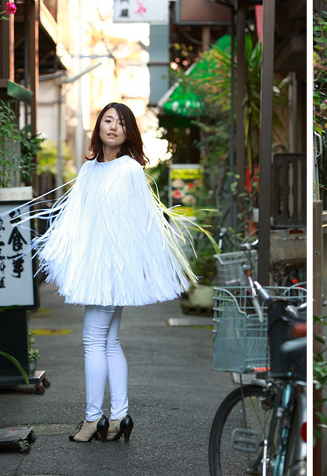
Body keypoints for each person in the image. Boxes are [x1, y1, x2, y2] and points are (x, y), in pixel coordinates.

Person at [33, 102, 197, 444]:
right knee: (108, 340)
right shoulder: (89, 169)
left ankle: (94, 419)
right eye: (108, 120)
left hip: (111, 269)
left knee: (93, 340)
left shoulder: (129, 169)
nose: (112, 127)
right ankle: (120, 417)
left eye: (120, 123)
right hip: (97, 267)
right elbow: (78, 218)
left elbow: (139, 224)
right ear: (99, 127)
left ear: (129, 133)